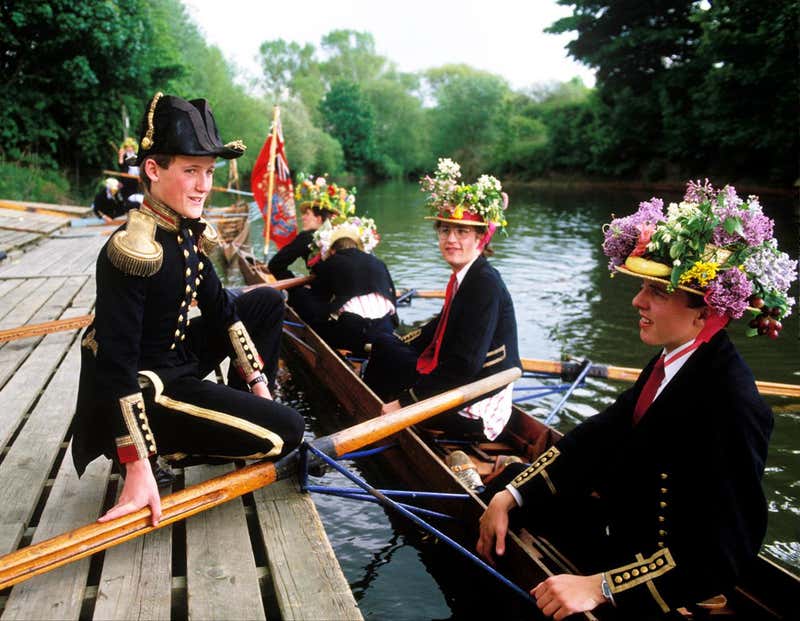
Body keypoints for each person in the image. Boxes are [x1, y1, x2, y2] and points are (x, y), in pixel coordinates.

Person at [477, 180, 797, 619]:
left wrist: (601, 587)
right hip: (622, 536)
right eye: (643, 287)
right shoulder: (673, 362)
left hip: (667, 587)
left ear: (706, 313)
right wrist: (513, 493)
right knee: (497, 492)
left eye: (657, 292)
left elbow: (720, 555)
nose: (637, 300)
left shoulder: (734, 404)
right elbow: (597, 436)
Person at [72, 92, 305, 526]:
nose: (204, 185)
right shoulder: (131, 248)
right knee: (289, 430)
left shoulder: (186, 232)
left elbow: (222, 311)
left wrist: (257, 384)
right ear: (154, 170)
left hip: (176, 359)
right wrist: (137, 462)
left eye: (209, 172)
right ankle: (163, 447)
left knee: (268, 301)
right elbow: (117, 364)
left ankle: (235, 412)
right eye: (191, 171)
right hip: (143, 388)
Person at [363, 158, 520, 442]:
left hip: (477, 407)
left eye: (462, 232)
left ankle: (372, 415)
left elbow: (464, 365)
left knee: (387, 365)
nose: (451, 240)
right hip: (464, 382)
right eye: (445, 230)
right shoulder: (469, 275)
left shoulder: (484, 283)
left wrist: (405, 404)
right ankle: (373, 403)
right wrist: (398, 340)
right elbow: (440, 328)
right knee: (386, 346)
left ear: (481, 238)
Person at [304, 216, 397, 356]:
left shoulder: (329, 263)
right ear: (356, 247)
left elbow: (319, 302)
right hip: (386, 327)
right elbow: (393, 296)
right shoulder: (379, 262)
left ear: (333, 251)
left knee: (311, 312)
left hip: (354, 331)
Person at [266, 173, 351, 280]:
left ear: (319, 219)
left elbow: (275, 265)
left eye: (307, 214)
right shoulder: (343, 234)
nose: (302, 218)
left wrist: (298, 287)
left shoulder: (306, 237)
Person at [118, 136, 144, 208]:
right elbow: (121, 165)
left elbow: (140, 167)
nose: (129, 148)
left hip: (136, 178)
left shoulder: (136, 156)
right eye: (127, 147)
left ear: (133, 147)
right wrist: (120, 155)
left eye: (130, 147)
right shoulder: (124, 156)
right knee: (127, 196)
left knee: (136, 195)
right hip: (126, 179)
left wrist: (140, 176)